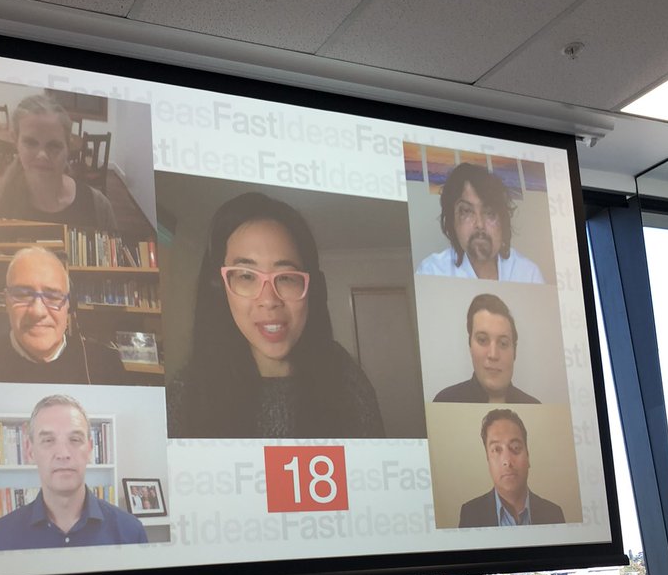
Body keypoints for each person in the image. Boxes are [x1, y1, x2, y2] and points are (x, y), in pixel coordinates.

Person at [167, 191, 385, 438]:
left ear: (310, 289)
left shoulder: (347, 383)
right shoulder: (186, 395)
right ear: (220, 288)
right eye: (246, 276)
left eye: (286, 278)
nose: (269, 301)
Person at [0, 394, 148, 550]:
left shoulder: (131, 533)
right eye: (48, 440)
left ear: (89, 450)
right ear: (30, 451)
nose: (63, 454)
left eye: (74, 439)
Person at [0, 247, 128, 384]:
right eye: (23, 294)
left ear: (69, 305)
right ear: (7, 301)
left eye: (52, 296)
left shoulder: (107, 366)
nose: (37, 311)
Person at [0, 94, 118, 230]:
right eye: (31, 143)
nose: (42, 155)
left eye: (54, 145)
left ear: (68, 147)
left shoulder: (98, 207)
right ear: (16, 141)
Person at [416, 163, 544, 282]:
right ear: (452, 222)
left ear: (502, 222)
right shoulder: (431, 271)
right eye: (466, 211)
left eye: (489, 213)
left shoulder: (528, 273)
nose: (480, 224)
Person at [458, 408, 564, 527]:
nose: (507, 461)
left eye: (516, 448)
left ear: (528, 456)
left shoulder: (553, 513)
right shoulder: (470, 514)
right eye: (496, 450)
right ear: (488, 460)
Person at [434, 294, 539, 403]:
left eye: (503, 343)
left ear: (515, 352)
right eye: (482, 340)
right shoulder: (445, 401)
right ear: (470, 346)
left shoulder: (535, 406)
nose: (493, 355)